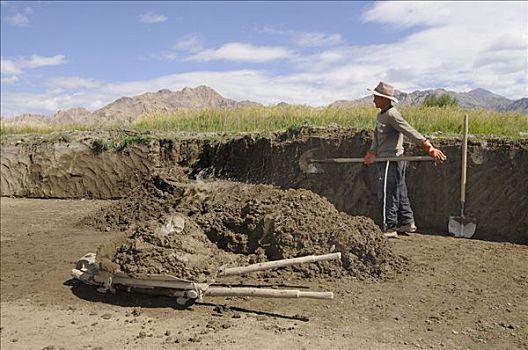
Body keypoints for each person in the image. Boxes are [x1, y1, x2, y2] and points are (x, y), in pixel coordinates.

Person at [363, 81, 446, 238]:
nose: (373, 99)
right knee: (400, 192)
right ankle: (407, 222)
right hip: (384, 159)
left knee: (389, 193)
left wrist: (429, 147)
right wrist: (372, 152)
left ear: (384, 99)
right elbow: (376, 135)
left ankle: (390, 227)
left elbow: (409, 131)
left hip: (391, 160)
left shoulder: (392, 114)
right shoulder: (381, 115)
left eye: (376, 97)